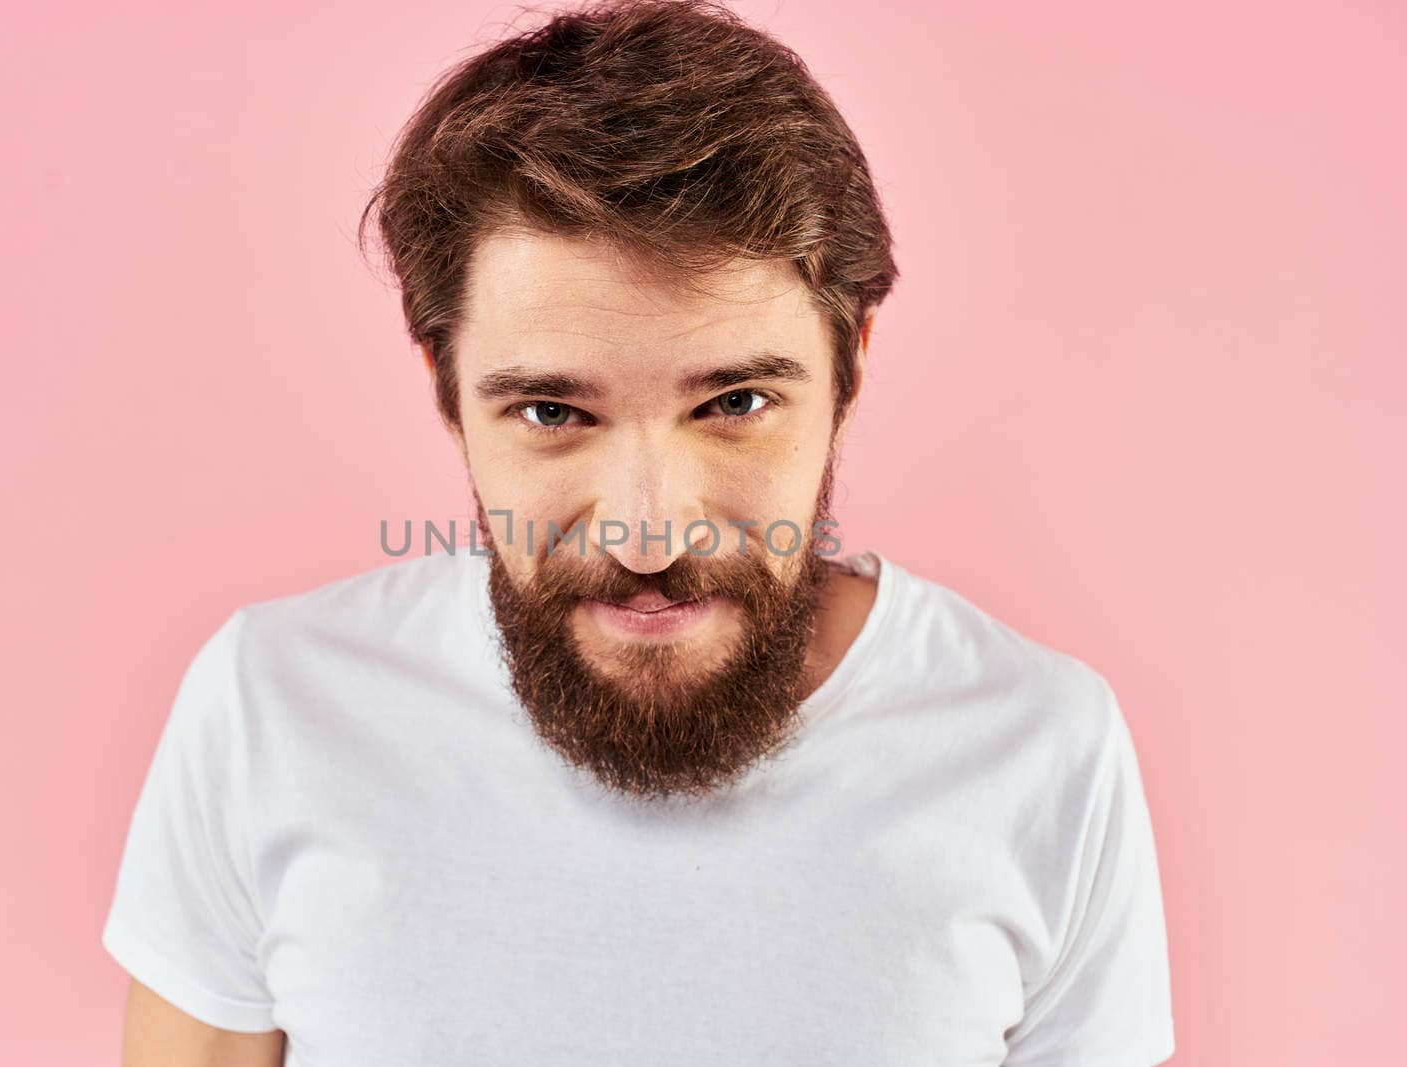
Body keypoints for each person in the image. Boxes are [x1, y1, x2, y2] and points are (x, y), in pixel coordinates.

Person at [100, 1, 1175, 1063]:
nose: (650, 530)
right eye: (555, 414)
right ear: (446, 387)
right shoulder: (271, 708)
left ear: (851, 363)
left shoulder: (1041, 746)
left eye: (736, 403)